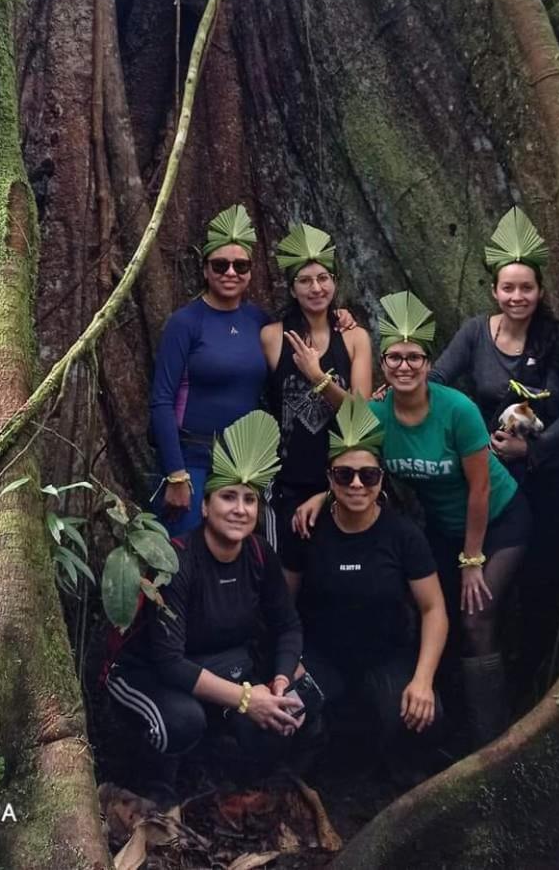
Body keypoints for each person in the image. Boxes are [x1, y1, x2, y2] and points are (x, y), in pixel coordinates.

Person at [295, 290, 530, 748]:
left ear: (427, 362)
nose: (404, 366)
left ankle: (494, 738)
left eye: (414, 358)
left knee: (476, 615)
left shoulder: (456, 411)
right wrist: (323, 497)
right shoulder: (381, 416)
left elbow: (480, 489)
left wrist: (473, 559)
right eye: (395, 358)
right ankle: (440, 721)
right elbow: (355, 458)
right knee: (433, 614)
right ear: (383, 365)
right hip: (444, 531)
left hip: (498, 523)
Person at [105, 411, 310, 807]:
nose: (240, 509)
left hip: (219, 666)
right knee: (182, 721)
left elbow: (288, 626)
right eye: (228, 497)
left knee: (289, 714)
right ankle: (155, 785)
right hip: (145, 673)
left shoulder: (258, 554)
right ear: (205, 506)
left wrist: (280, 683)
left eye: (249, 499)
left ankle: (213, 767)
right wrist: (248, 699)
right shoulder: (178, 562)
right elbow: (169, 662)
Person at [432, 207, 559, 678]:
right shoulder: (476, 333)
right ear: (495, 291)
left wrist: (532, 450)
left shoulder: (558, 339)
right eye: (508, 287)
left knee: (542, 580)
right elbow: (435, 381)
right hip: (492, 481)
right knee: (472, 584)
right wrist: (470, 433)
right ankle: (468, 682)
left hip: (551, 479)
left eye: (527, 288)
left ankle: (536, 676)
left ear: (539, 292)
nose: (517, 296)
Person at [283, 396, 448, 777]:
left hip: (385, 656)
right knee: (286, 711)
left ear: (381, 480)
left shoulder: (402, 535)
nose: (356, 484)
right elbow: (282, 606)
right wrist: (288, 663)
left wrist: (423, 679)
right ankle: (306, 778)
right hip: (320, 656)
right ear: (329, 478)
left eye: (368, 476)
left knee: (426, 715)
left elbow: (433, 609)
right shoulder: (308, 529)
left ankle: (398, 780)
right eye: (344, 475)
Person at [150, 205, 270, 533]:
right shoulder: (186, 323)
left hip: (244, 464)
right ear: (205, 270)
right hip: (193, 459)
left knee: (236, 556)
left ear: (250, 271)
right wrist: (176, 473)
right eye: (220, 265)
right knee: (184, 554)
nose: (230, 272)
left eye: (240, 265)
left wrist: (339, 319)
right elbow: (161, 400)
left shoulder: (260, 322)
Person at [261, 222, 372, 563]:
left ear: (335, 283)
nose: (316, 288)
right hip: (287, 480)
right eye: (305, 281)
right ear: (292, 289)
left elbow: (360, 415)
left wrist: (318, 377)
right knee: (287, 574)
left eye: (323, 278)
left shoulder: (355, 338)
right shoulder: (271, 337)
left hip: (343, 479)